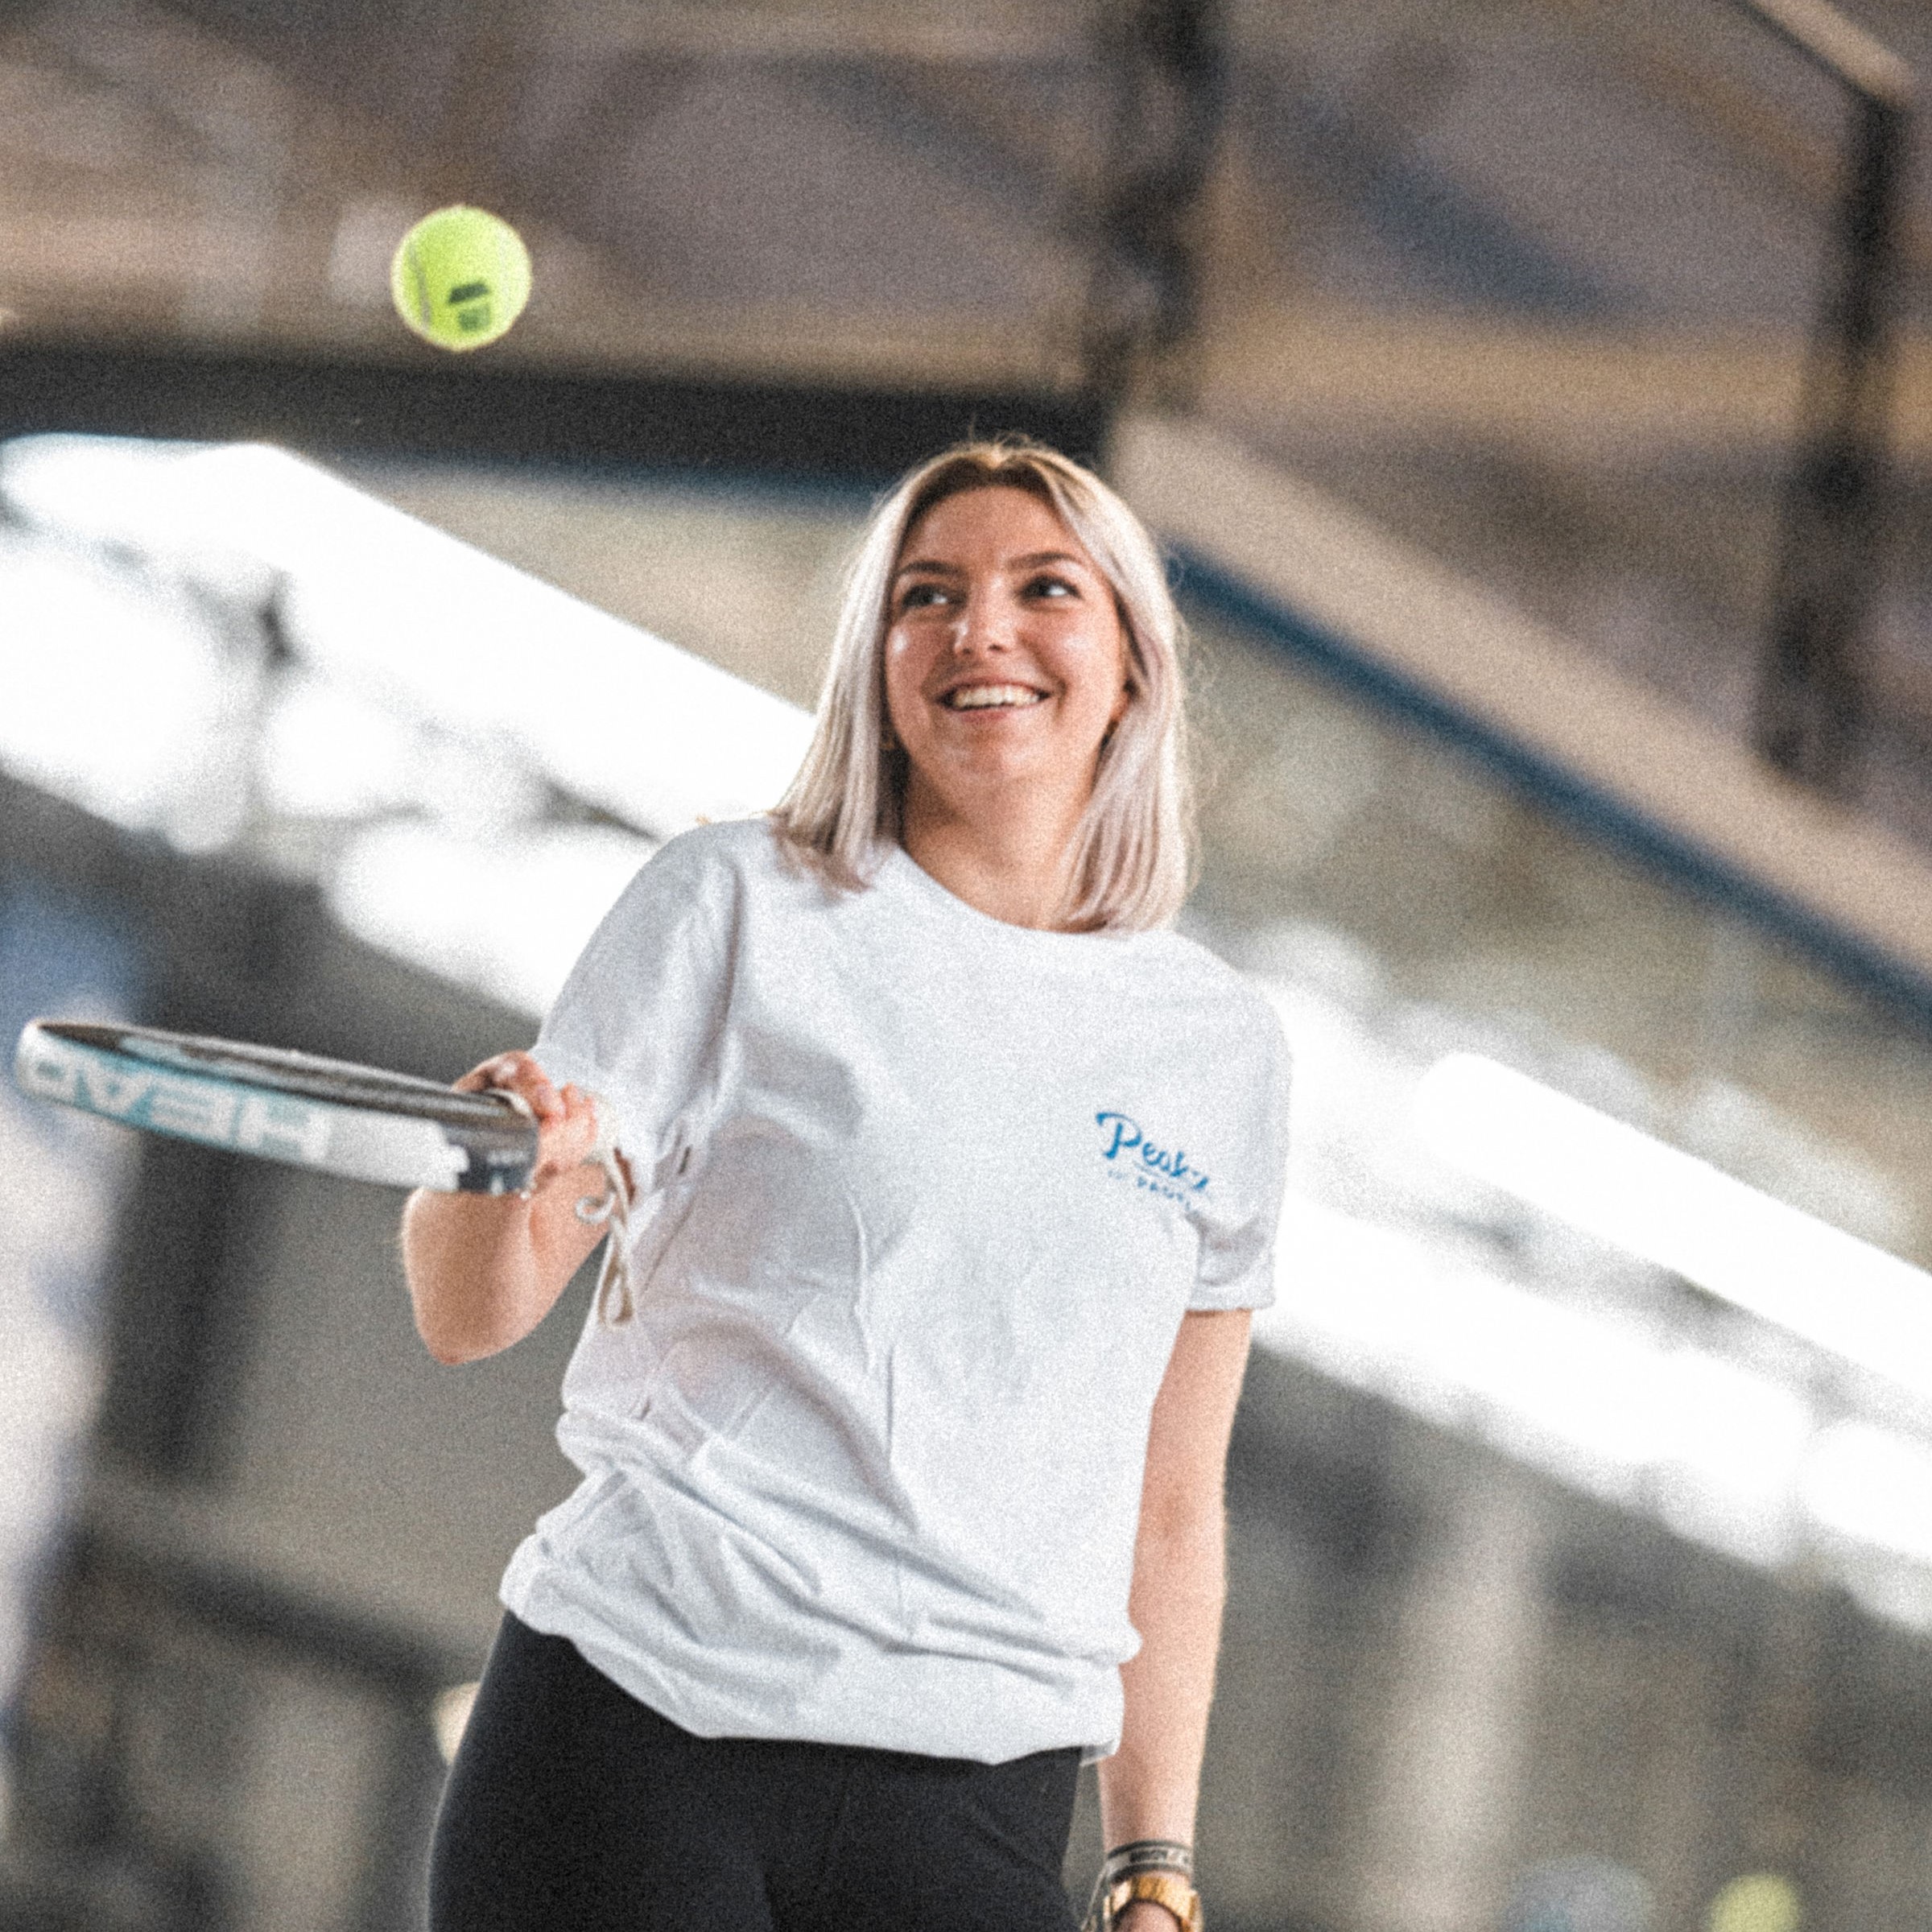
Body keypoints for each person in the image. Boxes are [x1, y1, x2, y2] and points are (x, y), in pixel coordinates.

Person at [402, 440, 1292, 1932]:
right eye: (926, 596)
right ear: (879, 664)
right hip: (635, 1735)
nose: (979, 631)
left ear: (1133, 666)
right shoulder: (738, 905)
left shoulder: (1221, 1051)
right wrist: (496, 1168)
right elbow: (467, 1313)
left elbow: (1173, 1508)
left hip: (976, 1810)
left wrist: (1153, 1862)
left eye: (1043, 590)